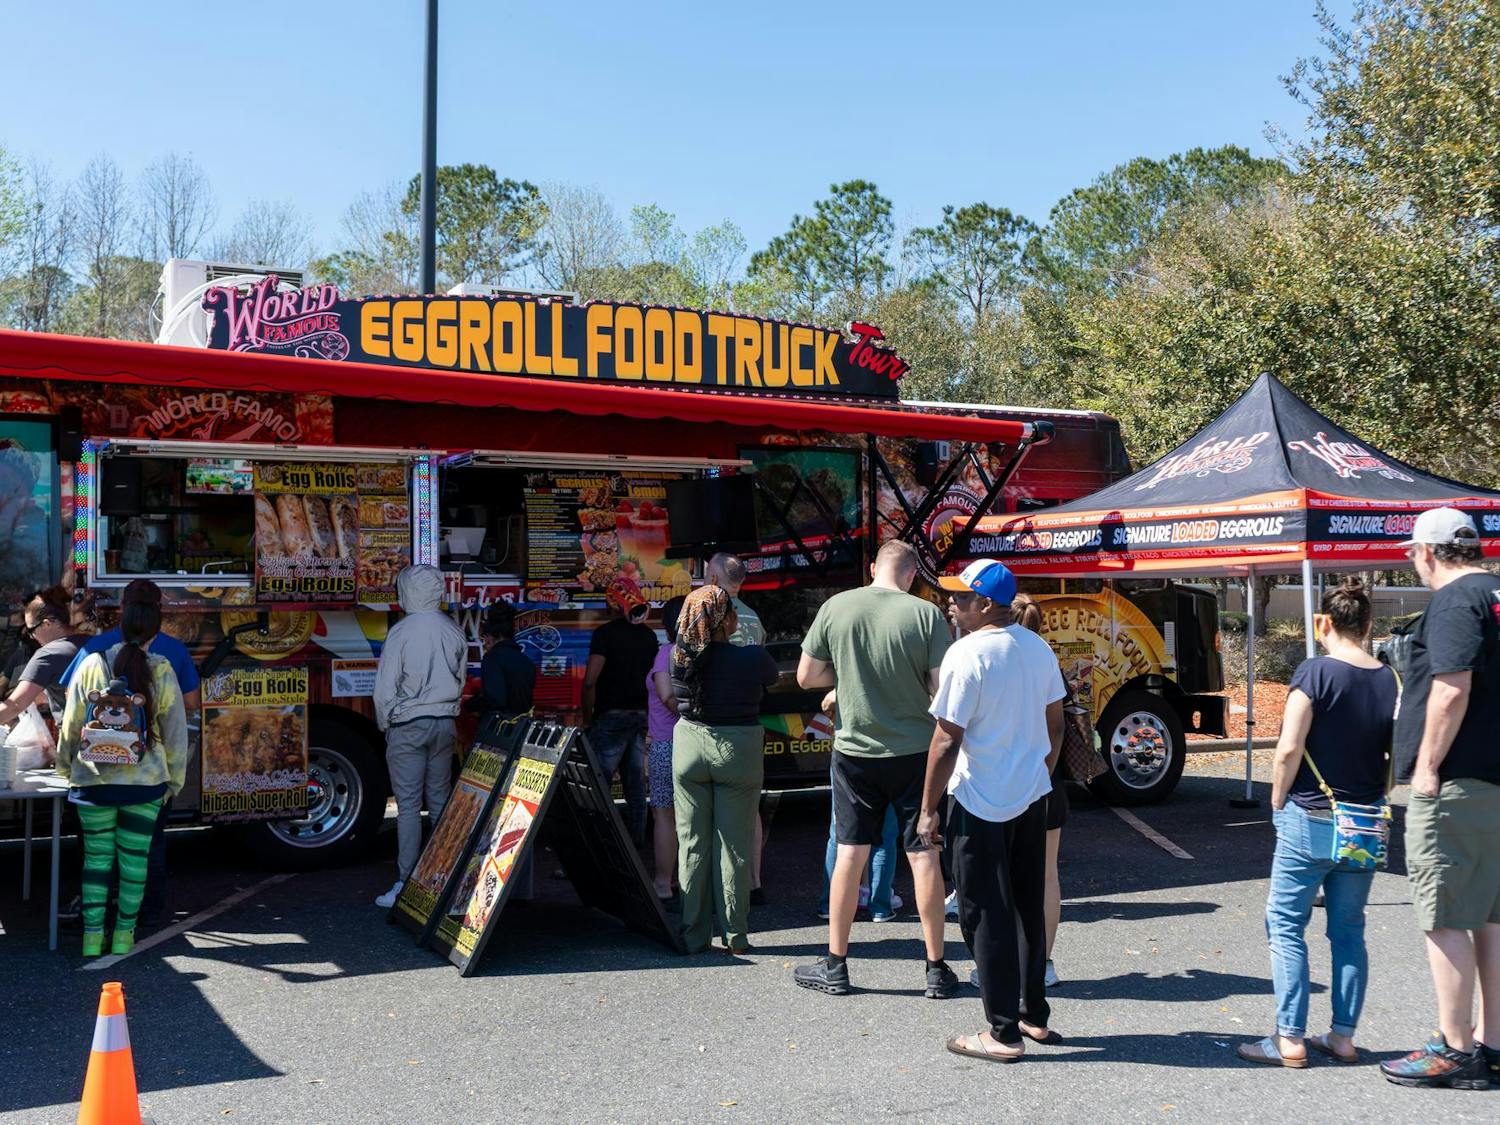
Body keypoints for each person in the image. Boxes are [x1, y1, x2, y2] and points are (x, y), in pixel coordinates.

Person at [1236, 580, 1397, 1069]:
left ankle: (1289, 1038)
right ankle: (1343, 1036)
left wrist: (1277, 798)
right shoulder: (1390, 678)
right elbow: (1394, 754)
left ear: (1322, 624)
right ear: (1369, 626)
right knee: (1349, 930)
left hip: (1310, 815)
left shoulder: (1314, 672)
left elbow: (1288, 746)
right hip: (1364, 821)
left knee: (1286, 925)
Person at [793, 540, 954, 998]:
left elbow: (807, 677)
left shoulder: (836, 607)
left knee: (850, 852)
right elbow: (940, 688)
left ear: (871, 568)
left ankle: (836, 965)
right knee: (923, 855)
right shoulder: (925, 615)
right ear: (910, 575)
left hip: (854, 750)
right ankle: (936, 970)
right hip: (915, 753)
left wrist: (846, 677)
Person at [919, 559, 1065, 1062]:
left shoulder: (967, 654)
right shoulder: (1038, 648)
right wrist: (1038, 770)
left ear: (986, 605)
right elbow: (1057, 725)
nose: (951, 603)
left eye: (960, 598)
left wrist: (927, 810)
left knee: (985, 913)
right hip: (1030, 795)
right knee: (1027, 908)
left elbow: (945, 740)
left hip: (979, 798)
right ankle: (1033, 1016)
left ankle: (1003, 1033)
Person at [1379, 508, 1500, 1090]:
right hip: (1494, 782)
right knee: (1492, 919)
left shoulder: (1455, 602)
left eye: (1411, 554)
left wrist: (1426, 768)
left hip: (1458, 784)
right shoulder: (1496, 593)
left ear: (1426, 553)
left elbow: (1452, 689)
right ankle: (1493, 1046)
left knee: (1446, 916)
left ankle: (1455, 1050)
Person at [55, 597, 188, 956]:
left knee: (96, 862)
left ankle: (91, 939)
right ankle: (124, 937)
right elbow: (175, 733)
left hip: (93, 784)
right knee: (134, 863)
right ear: (155, 632)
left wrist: (66, 770)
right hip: (144, 786)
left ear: (121, 624)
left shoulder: (91, 665)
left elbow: (70, 724)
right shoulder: (161, 669)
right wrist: (174, 781)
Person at [670, 585, 778, 953]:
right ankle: (735, 934)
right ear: (727, 619)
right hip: (738, 748)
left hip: (688, 746)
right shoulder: (752, 658)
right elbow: (772, 677)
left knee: (692, 842)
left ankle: (693, 934)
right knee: (733, 845)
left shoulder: (678, 659)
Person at [372, 564, 468, 909]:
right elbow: (460, 680)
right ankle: (444, 876)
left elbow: (384, 689)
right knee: (440, 800)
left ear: (407, 592)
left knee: (409, 806)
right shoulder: (452, 629)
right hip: (444, 723)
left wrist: (386, 723)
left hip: (408, 724)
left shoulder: (401, 632)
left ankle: (406, 881)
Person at [706, 551, 771, 905]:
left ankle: (718, 886)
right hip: (749, 719)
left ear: (714, 579)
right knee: (749, 804)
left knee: (714, 806)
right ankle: (753, 882)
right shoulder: (754, 618)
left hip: (713, 721)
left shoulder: (706, 612)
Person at [1012, 594, 1067, 988]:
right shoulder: (1047, 657)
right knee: (1047, 876)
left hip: (1008, 782)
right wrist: (1046, 772)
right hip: (1047, 781)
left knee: (1006, 880)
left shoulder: (997, 657)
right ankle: (1043, 964)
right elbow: (1058, 726)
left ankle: (1009, 964)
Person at [583, 575, 658, 848]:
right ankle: (636, 847)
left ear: (611, 602)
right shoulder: (649, 636)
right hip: (640, 716)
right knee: (635, 787)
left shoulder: (604, 634)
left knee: (595, 786)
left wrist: (587, 717)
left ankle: (596, 850)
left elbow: (591, 679)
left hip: (611, 718)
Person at [818, 689, 902, 923]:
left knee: (841, 835)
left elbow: (826, 700)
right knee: (886, 836)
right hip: (893, 751)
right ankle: (880, 906)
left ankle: (830, 904)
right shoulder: (898, 668)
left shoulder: (851, 669)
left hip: (851, 752)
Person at [647, 595, 687, 903]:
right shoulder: (697, 652)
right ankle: (689, 881)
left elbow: (666, 696)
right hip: (695, 741)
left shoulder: (666, 653)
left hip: (666, 743)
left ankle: (663, 882)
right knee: (693, 816)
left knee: (664, 815)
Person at [0, 588, 88, 727]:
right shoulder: (90, 642)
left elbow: (15, 705)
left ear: (47, 623)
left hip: (76, 739)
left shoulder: (47, 654)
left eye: (31, 630)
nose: (32, 637)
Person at [474, 603, 536, 722]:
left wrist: (472, 704)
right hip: (522, 727)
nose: (485, 642)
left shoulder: (492, 658)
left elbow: (495, 700)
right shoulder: (526, 661)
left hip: (500, 730)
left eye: (485, 636)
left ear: (495, 635)